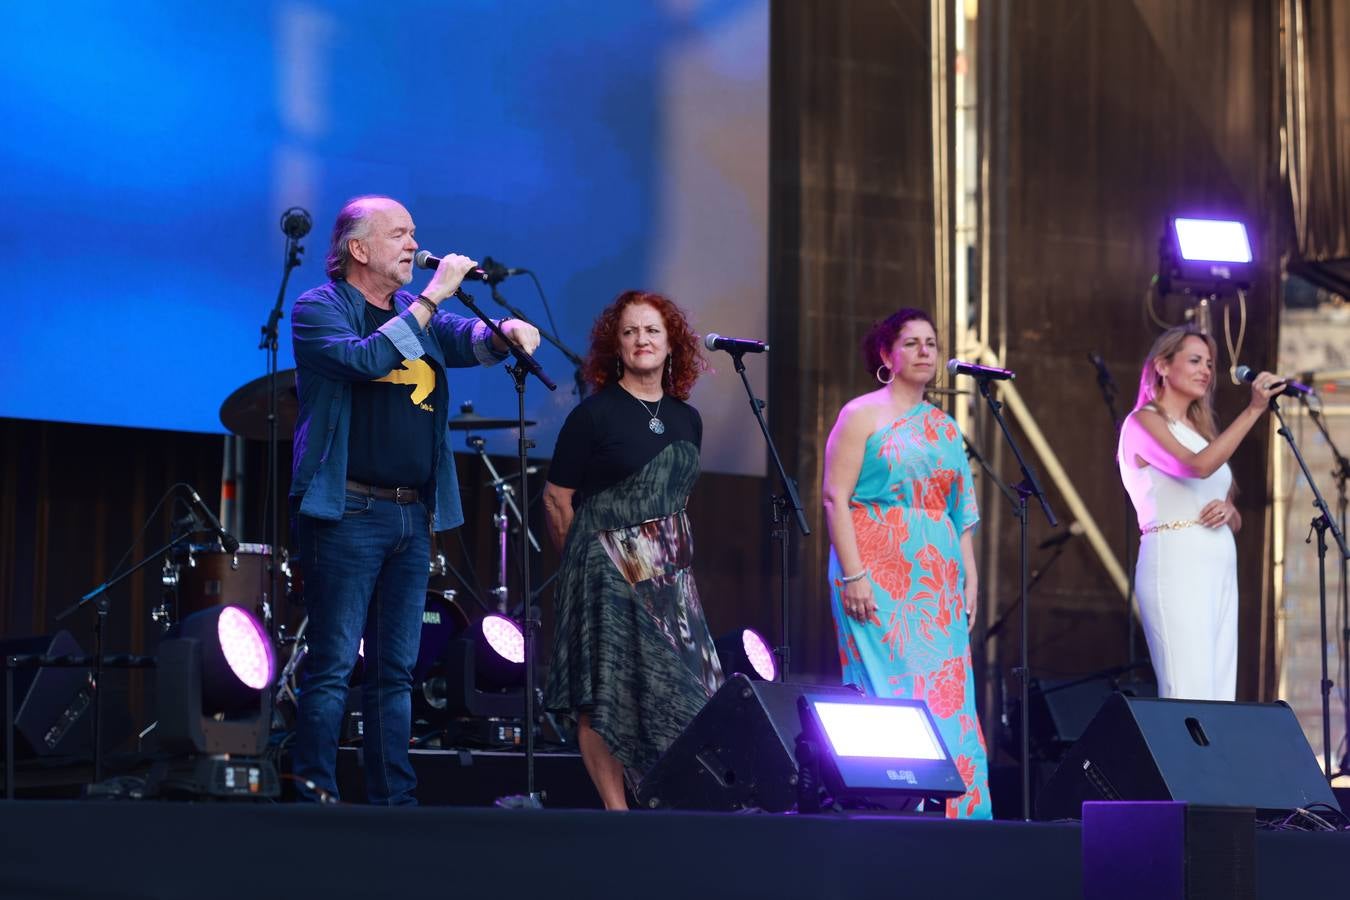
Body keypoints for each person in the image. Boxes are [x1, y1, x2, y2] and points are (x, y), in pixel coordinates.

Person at [289, 195, 540, 804]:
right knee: (331, 665)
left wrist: (504, 333)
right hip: (346, 510)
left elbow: (466, 340)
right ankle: (312, 797)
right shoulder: (319, 308)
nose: (413, 243)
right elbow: (368, 358)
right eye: (399, 233)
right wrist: (433, 296)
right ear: (359, 248)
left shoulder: (411, 307)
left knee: (395, 671)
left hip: (409, 513)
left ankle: (392, 802)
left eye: (413, 232)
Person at [542, 290, 723, 810]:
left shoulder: (689, 419)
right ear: (615, 345)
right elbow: (557, 500)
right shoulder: (593, 416)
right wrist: (592, 563)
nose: (641, 340)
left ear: (672, 344)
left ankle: (663, 803)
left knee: (686, 690)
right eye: (629, 332)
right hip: (605, 572)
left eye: (651, 331)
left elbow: (676, 500)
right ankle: (617, 812)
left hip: (668, 578)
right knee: (604, 695)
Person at [821, 307, 989, 819]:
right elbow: (834, 496)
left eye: (931, 344)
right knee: (889, 689)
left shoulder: (944, 427)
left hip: (937, 579)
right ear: (885, 355)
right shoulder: (861, 414)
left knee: (950, 696)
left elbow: (961, 513)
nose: (924, 352)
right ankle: (897, 810)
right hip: (874, 570)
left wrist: (971, 577)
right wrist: (854, 575)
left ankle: (960, 815)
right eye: (911, 342)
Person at [1117, 325, 1281, 701]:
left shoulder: (1201, 432)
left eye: (1209, 363)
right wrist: (1255, 410)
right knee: (1186, 689)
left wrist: (1229, 510)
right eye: (1194, 360)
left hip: (1218, 565)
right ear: (1162, 365)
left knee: (1219, 690)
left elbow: (1232, 513)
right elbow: (1195, 467)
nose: (1206, 370)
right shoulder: (1143, 422)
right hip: (1176, 561)